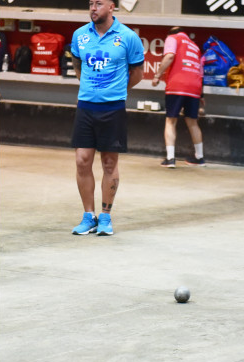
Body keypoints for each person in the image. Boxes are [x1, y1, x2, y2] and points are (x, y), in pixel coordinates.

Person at [70, 0, 144, 236]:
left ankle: (105, 217)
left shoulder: (128, 37)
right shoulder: (79, 35)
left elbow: (137, 74)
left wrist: (116, 90)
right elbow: (77, 63)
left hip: (113, 109)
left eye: (99, 3)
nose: (93, 8)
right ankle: (88, 215)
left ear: (112, 7)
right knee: (82, 160)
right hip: (85, 106)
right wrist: (90, 88)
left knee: (109, 163)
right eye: (90, 3)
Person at [151, 26, 205, 168]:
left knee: (171, 121)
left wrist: (157, 75)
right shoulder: (195, 47)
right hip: (194, 88)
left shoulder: (172, 38)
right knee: (192, 122)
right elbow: (200, 71)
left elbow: (169, 56)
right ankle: (199, 158)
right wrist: (201, 95)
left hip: (177, 85)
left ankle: (170, 159)